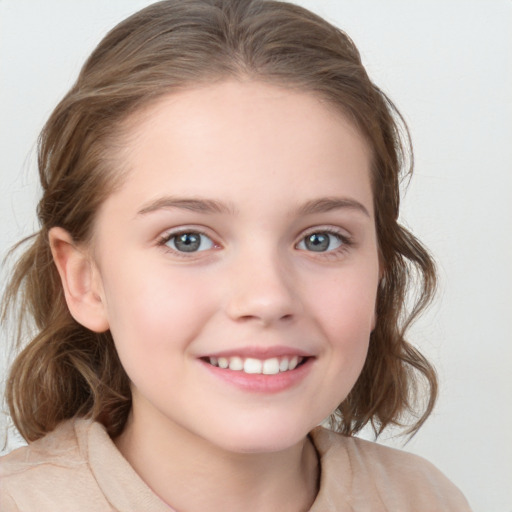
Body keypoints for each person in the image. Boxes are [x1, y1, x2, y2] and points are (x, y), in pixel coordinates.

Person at [0, 0, 472, 510]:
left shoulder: (423, 498)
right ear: (84, 279)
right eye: (188, 239)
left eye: (321, 239)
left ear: (380, 268)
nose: (267, 299)